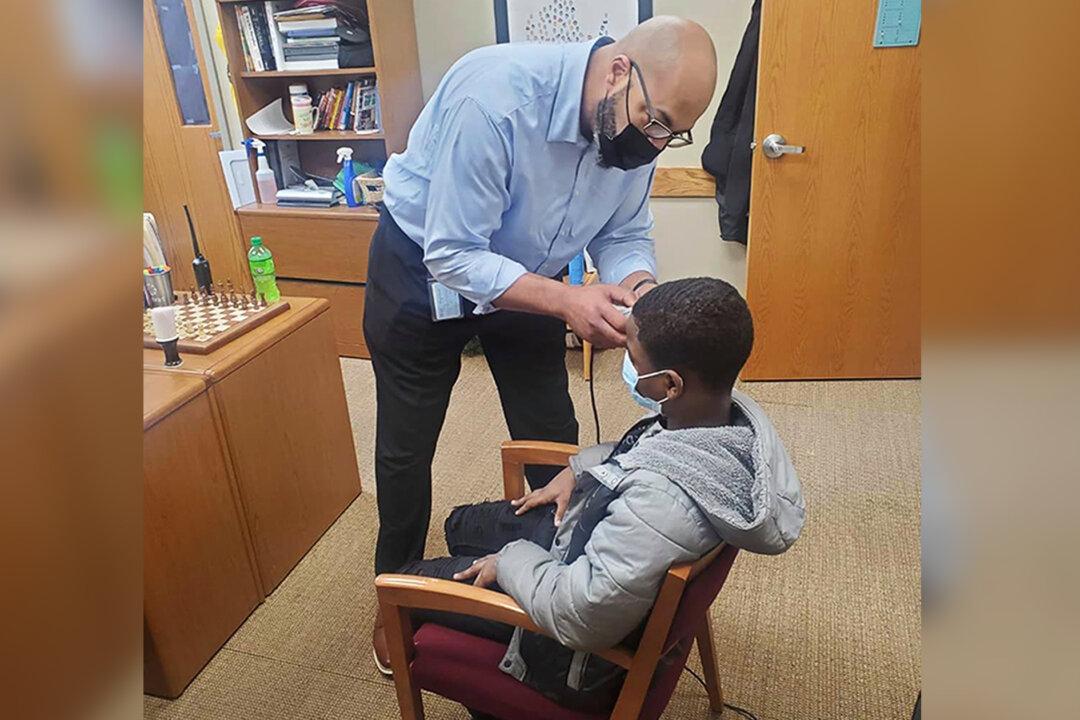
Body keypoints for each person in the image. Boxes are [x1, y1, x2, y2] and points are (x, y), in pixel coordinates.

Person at [363, 16, 721, 596]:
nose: (655, 142)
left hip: (533, 278)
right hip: (421, 265)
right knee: (408, 445)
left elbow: (623, 232)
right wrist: (566, 300)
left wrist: (644, 294)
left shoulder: (640, 125)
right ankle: (394, 590)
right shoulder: (495, 98)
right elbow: (453, 254)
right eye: (653, 123)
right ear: (617, 71)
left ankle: (555, 566)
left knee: (550, 424)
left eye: (672, 134)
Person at [373, 278, 806, 715]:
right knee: (458, 525)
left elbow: (582, 617)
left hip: (568, 644)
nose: (630, 368)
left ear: (672, 384)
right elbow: (649, 448)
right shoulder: (725, 423)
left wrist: (510, 561)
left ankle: (496, 701)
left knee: (405, 582)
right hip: (597, 535)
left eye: (634, 360)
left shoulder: (656, 507)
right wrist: (580, 470)